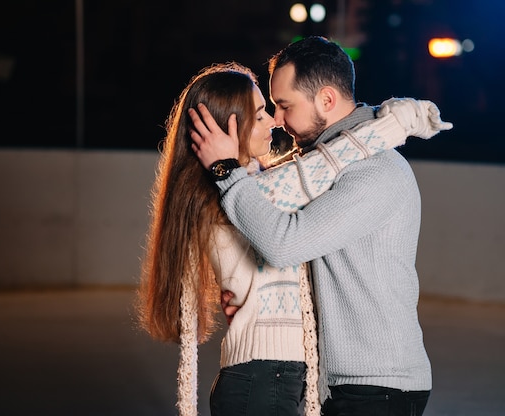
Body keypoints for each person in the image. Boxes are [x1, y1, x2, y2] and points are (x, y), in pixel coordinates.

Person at [137, 61, 448, 415]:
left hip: (309, 381)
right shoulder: (242, 192)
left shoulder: (249, 190)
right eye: (261, 114)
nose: (275, 120)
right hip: (263, 379)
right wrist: (391, 124)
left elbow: (309, 171)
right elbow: (315, 174)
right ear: (227, 132)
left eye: (281, 107)